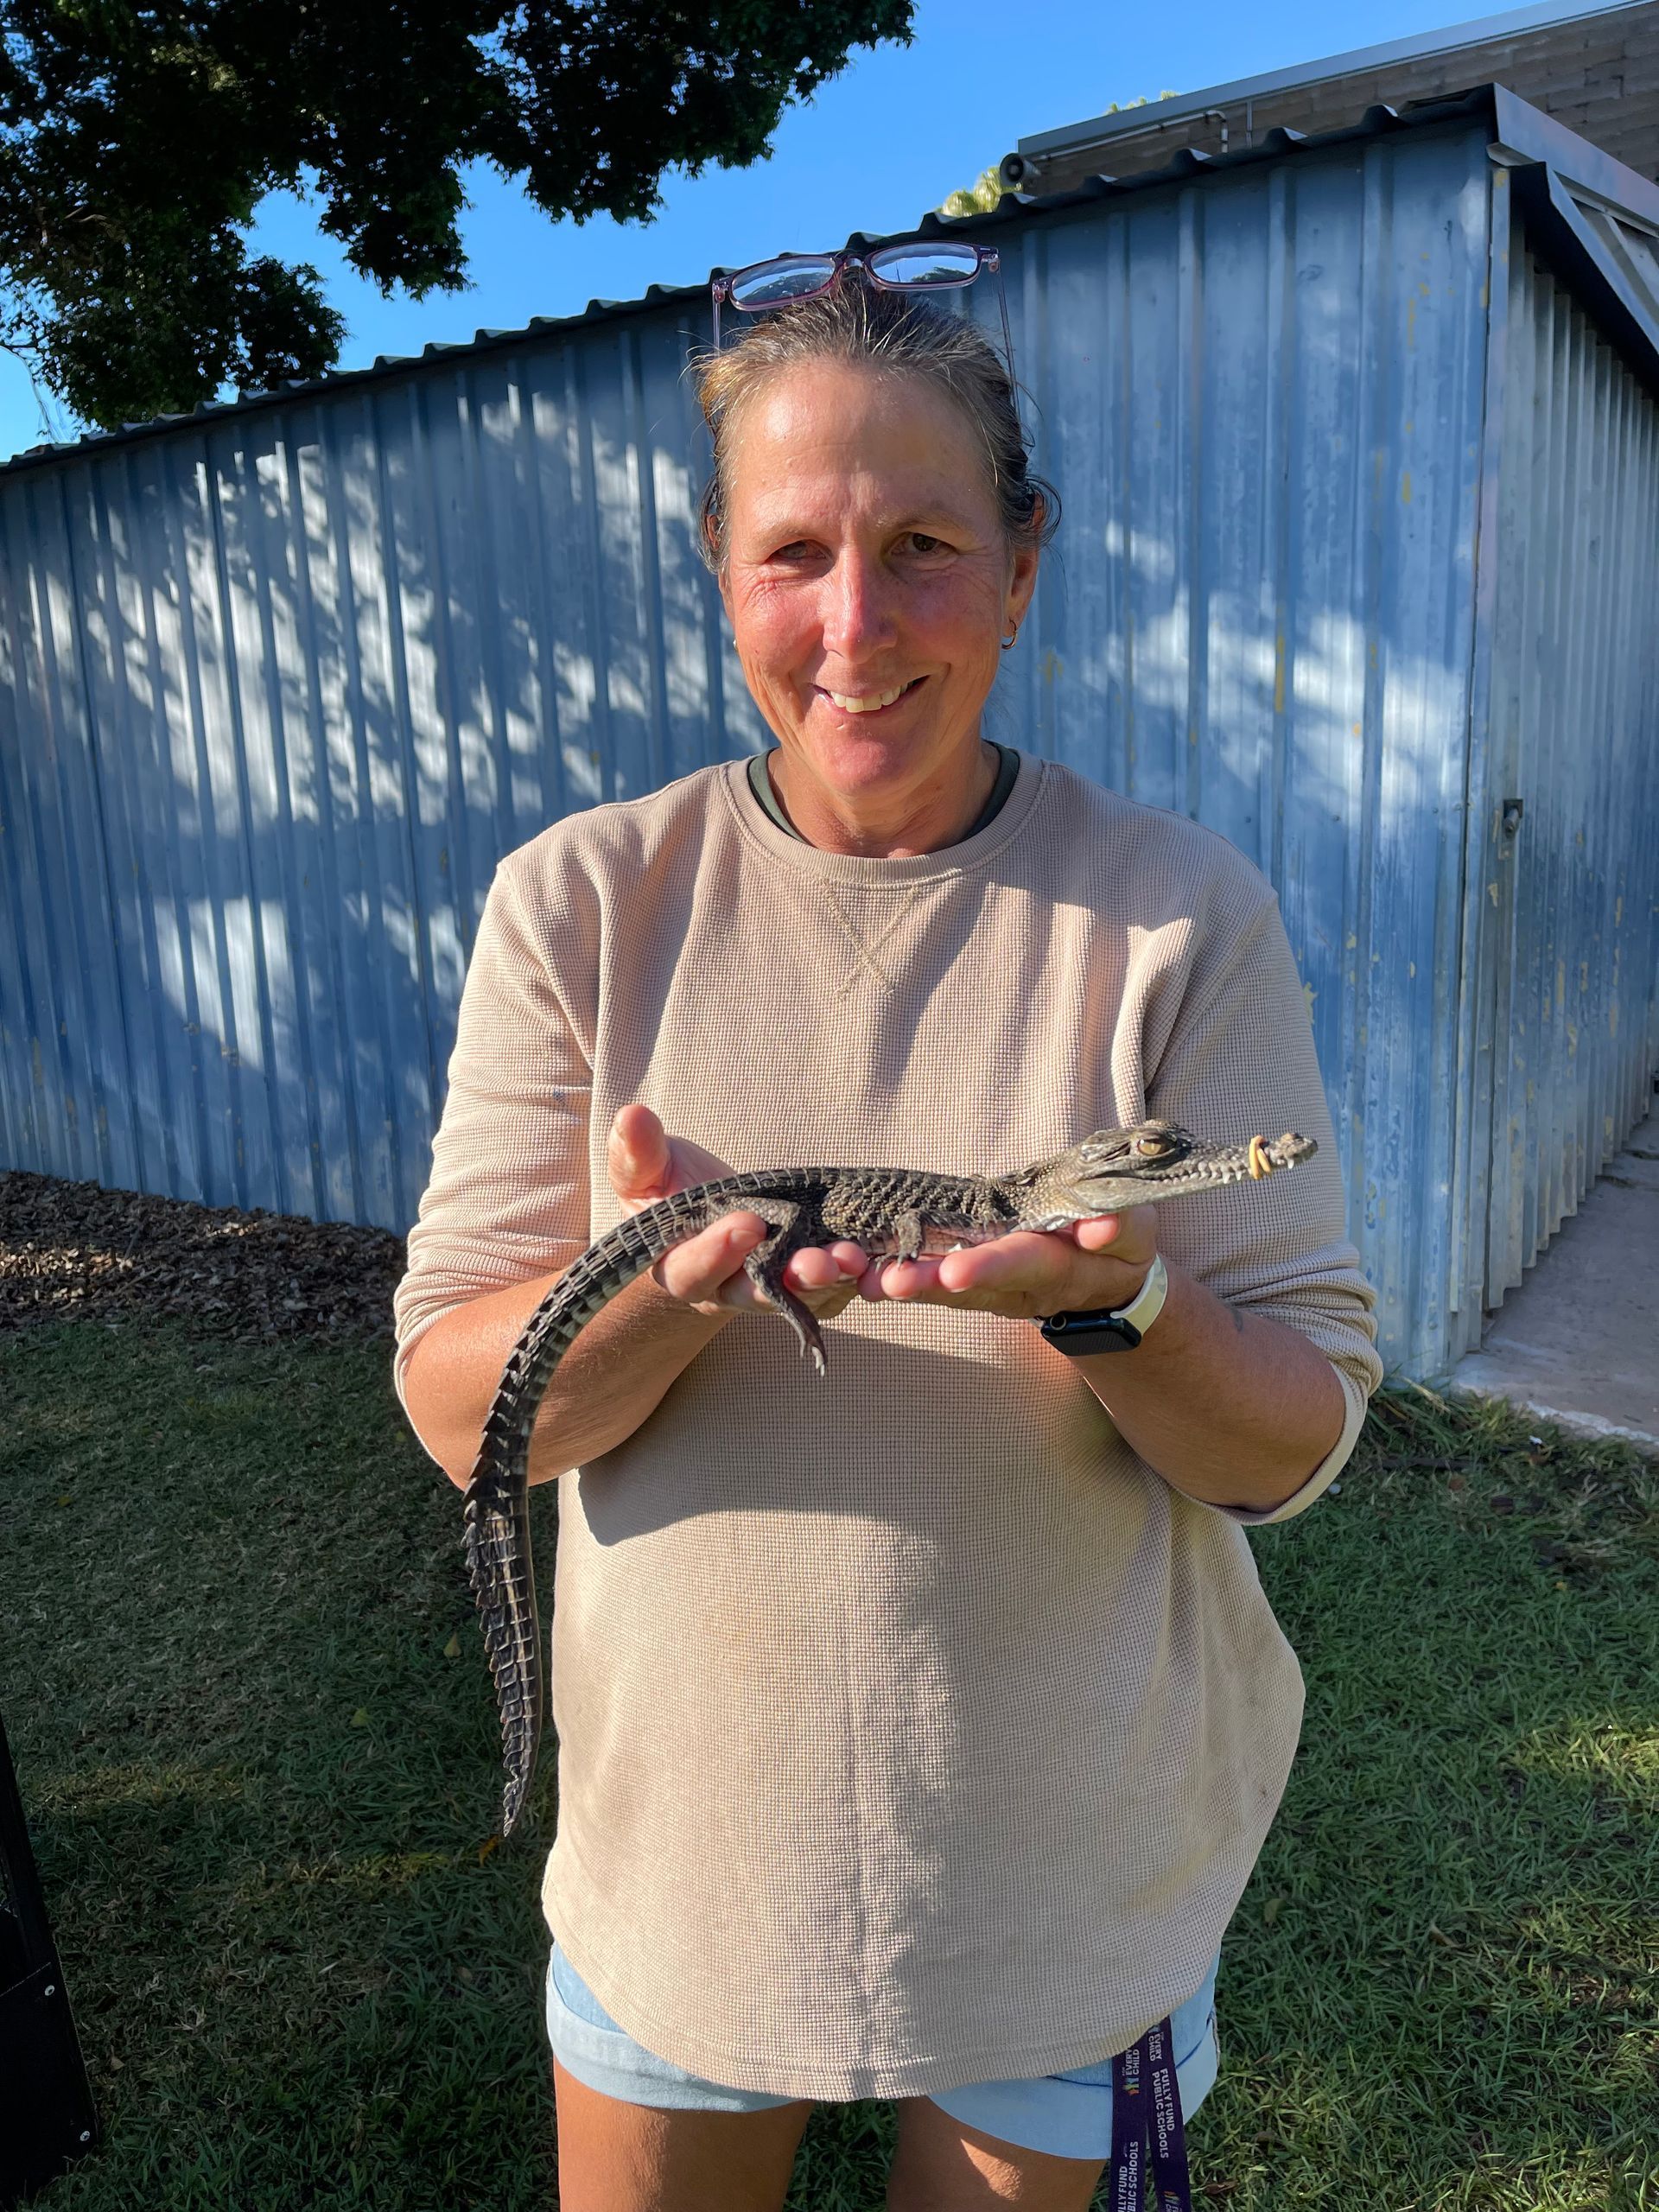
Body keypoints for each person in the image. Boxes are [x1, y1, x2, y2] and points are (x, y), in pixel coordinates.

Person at [392, 261, 1382, 2212]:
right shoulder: (577, 903)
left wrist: (1124, 1301)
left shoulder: (1179, 918)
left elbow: (1297, 1438)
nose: (856, 624)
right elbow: (462, 1417)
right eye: (795, 552)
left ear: (1025, 567)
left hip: (1067, 1895)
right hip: (680, 1883)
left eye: (926, 544)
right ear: (721, 568)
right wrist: (677, 1294)